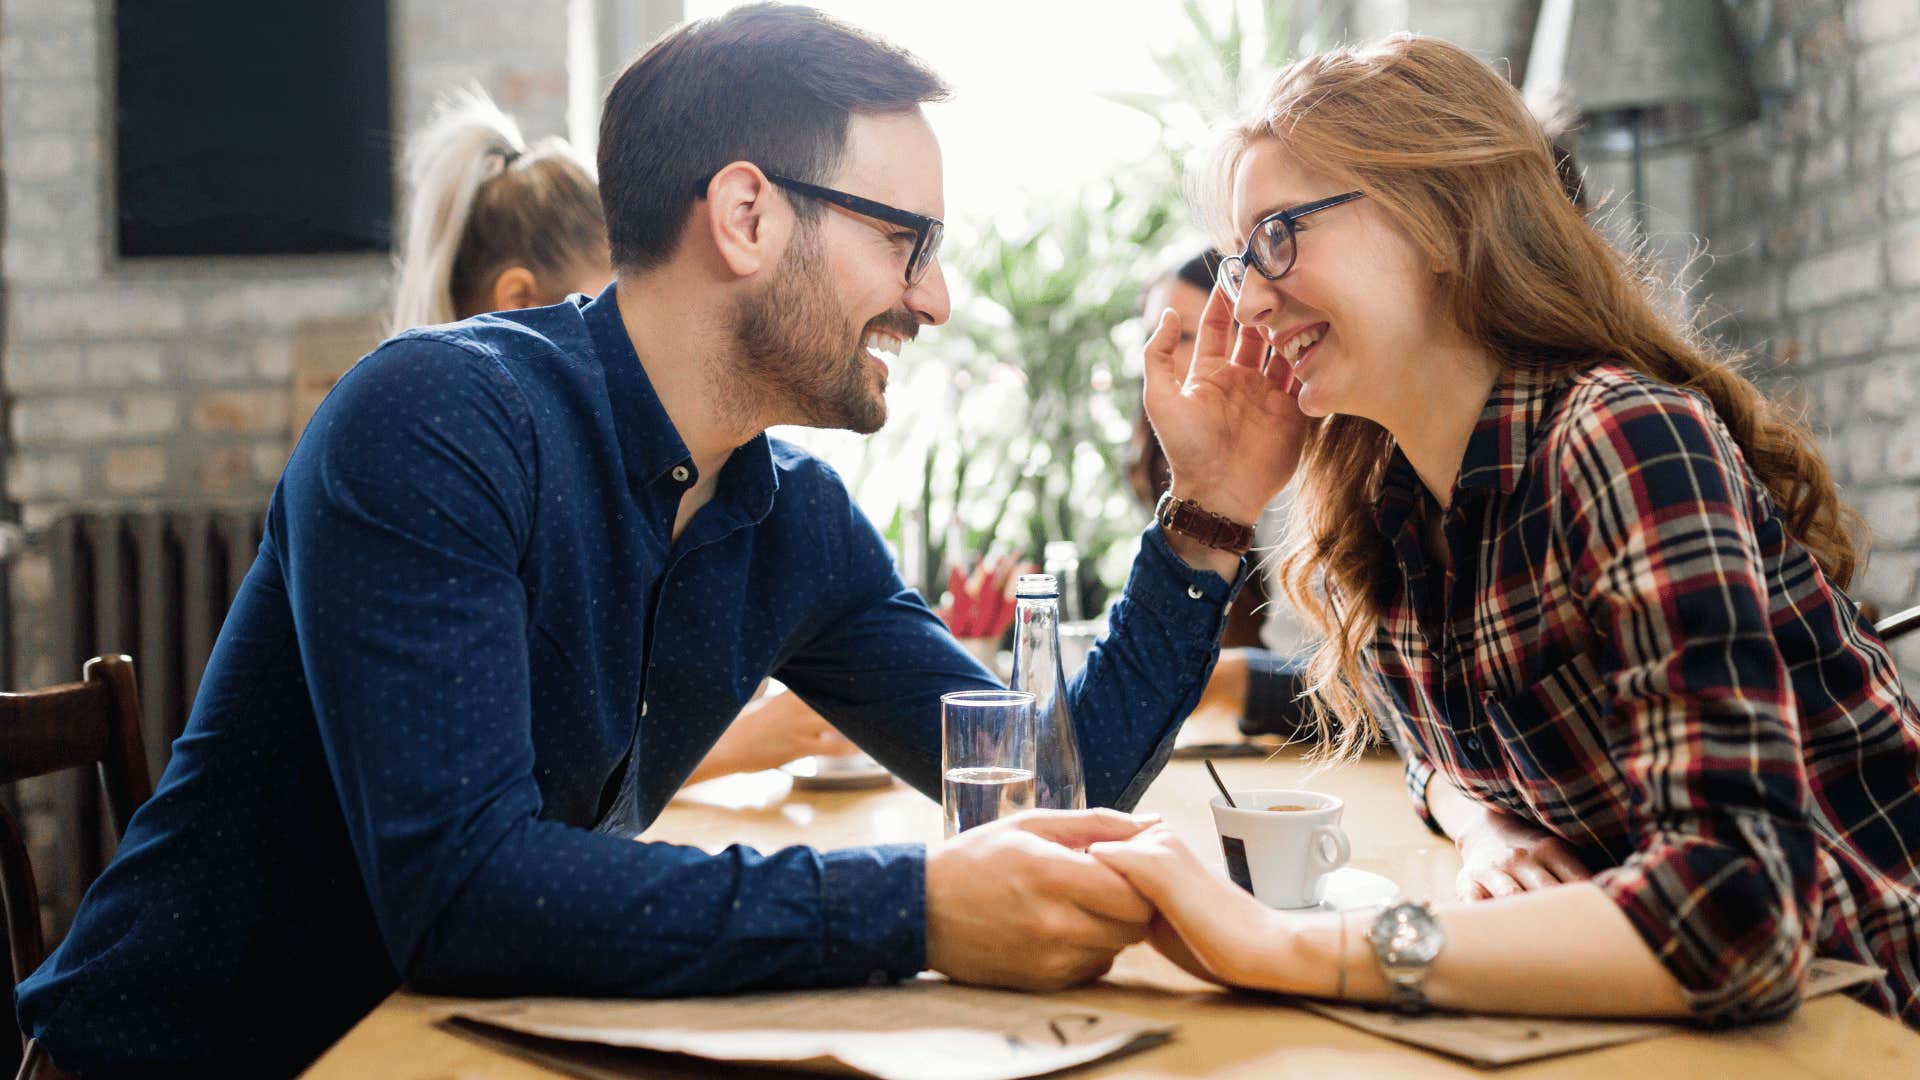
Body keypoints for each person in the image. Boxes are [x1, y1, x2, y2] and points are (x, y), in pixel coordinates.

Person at [14, 6, 1297, 1075]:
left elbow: (1053, 788)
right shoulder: (435, 422)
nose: (935, 299)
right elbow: (463, 898)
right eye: (904, 242)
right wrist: (919, 909)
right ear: (745, 214)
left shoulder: (790, 520)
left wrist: (1208, 516)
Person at [1088, 34, 1920, 1029]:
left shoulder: (1619, 438)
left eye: (1277, 237)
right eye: (1238, 259)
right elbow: (1432, 741)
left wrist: (1287, 947)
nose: (1249, 298)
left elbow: (1732, 914)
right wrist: (1483, 826)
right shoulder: (1382, 504)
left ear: (1439, 217)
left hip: (1864, 1020)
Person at [391, 85, 858, 780]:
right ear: (518, 300)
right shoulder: (435, 462)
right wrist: (730, 745)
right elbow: (505, 786)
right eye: (607, 306)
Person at [1126, 252, 1312, 740]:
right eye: (1154, 336)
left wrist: (1224, 679)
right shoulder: (1173, 465)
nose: (1161, 358)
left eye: (1186, 336)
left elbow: (1354, 687)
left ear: (1252, 338)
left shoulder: (1305, 469)